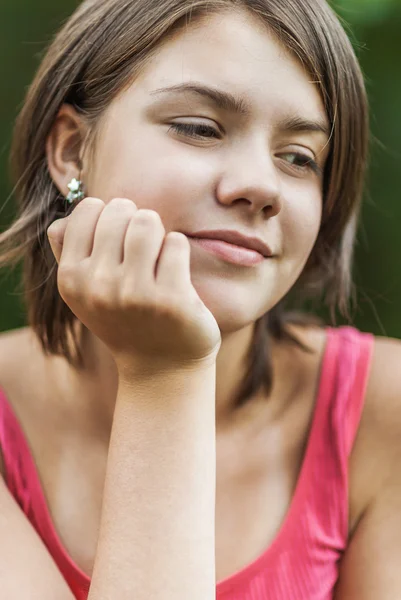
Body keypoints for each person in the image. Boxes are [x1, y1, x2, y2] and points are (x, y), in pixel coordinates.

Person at [0, 0, 400, 598]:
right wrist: (164, 373)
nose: (261, 187)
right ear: (71, 151)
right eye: (199, 128)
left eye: (299, 158)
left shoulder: (381, 416)